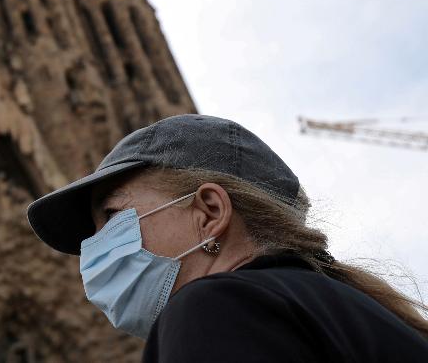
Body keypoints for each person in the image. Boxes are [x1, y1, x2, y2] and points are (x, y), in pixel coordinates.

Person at [26, 114, 428, 361]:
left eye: (112, 216)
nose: (94, 247)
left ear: (210, 213)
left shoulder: (216, 309)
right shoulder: (353, 312)